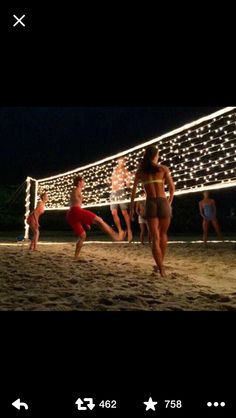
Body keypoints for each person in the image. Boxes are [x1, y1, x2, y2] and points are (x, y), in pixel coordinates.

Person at [130, 146, 175, 277]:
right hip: (162, 202)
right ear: (155, 155)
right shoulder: (163, 169)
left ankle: (161, 268)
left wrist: (133, 208)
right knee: (163, 234)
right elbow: (172, 189)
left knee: (155, 238)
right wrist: (169, 202)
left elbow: (133, 194)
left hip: (150, 203)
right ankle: (160, 264)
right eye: (158, 154)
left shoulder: (140, 171)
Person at [67, 175, 126, 258]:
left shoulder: (75, 191)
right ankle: (116, 236)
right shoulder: (76, 190)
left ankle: (75, 257)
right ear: (79, 182)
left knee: (83, 236)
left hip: (71, 215)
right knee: (99, 220)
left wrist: (85, 221)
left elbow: (74, 203)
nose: (84, 183)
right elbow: (75, 203)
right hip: (75, 211)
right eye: (83, 181)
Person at [110, 157, 133, 242]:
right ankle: (120, 231)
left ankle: (129, 230)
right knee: (113, 212)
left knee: (124, 212)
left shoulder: (125, 171)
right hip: (113, 192)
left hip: (121, 191)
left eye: (122, 161)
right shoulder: (114, 170)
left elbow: (127, 184)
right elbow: (112, 181)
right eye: (119, 160)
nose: (121, 162)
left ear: (124, 162)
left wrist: (128, 180)